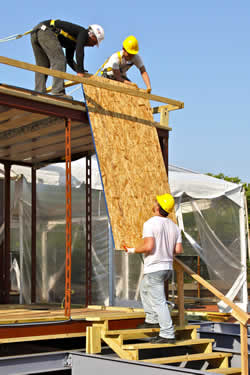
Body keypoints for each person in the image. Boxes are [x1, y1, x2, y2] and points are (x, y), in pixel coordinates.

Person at [124, 193, 183, 344]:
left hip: (155, 268)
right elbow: (178, 250)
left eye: (156, 202)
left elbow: (149, 246)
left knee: (159, 302)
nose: (154, 203)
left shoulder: (150, 223)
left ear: (158, 207)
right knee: (144, 288)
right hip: (167, 268)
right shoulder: (174, 227)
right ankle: (151, 319)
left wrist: (131, 250)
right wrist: (165, 248)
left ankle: (167, 334)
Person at [31, 20, 104, 98]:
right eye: (94, 42)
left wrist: (79, 70)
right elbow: (79, 50)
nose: (93, 45)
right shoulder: (83, 33)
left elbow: (69, 59)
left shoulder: (74, 39)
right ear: (91, 35)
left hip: (37, 31)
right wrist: (80, 71)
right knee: (59, 60)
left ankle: (38, 92)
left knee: (43, 64)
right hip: (46, 31)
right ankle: (58, 92)